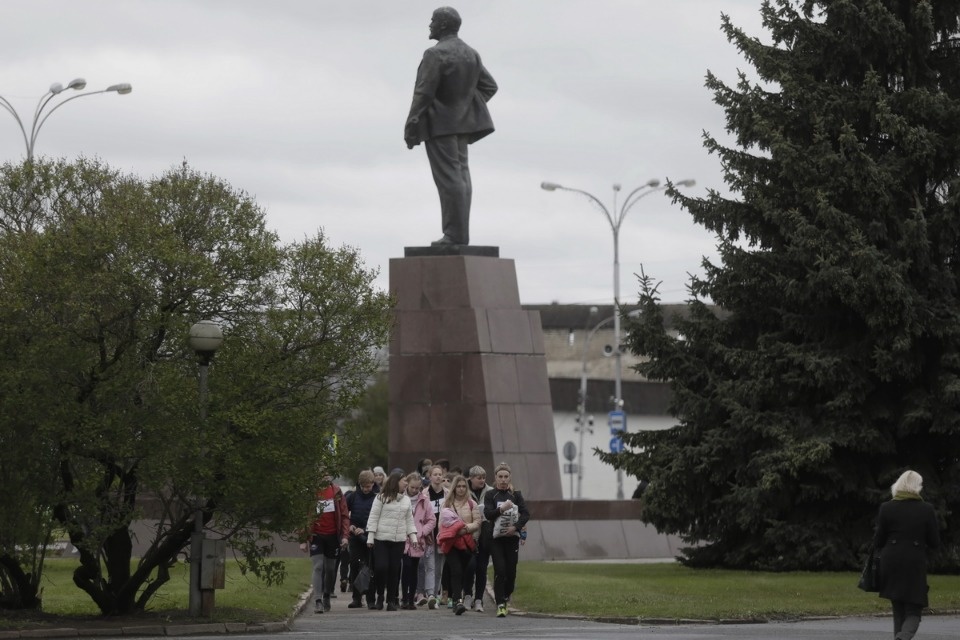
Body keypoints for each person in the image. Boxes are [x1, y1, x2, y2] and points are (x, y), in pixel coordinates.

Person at [404, 6, 497, 246]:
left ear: (443, 25)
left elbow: (424, 93)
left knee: (449, 180)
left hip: (439, 125)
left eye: (433, 20)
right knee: (461, 177)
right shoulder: (471, 53)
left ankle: (454, 235)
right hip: (462, 126)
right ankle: (459, 235)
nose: (430, 25)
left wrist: (412, 123)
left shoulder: (435, 54)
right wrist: (465, 106)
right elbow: (489, 87)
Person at [874, 469, 940, 640]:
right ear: (917, 487)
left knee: (898, 610)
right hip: (913, 563)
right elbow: (934, 542)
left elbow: (878, 541)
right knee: (914, 611)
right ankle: (902, 638)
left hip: (890, 561)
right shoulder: (926, 509)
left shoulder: (886, 508)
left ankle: (900, 636)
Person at [366, 471, 419, 611]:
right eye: (404, 480)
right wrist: (370, 537)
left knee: (394, 570)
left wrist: (413, 537)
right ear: (396, 482)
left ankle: (390, 600)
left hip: (398, 540)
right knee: (381, 567)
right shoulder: (381, 498)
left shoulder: (406, 500)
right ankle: (380, 595)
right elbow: (373, 518)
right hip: (381, 539)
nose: (406, 483)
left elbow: (409, 520)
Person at [483, 462, 529, 618]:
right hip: (496, 539)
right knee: (500, 569)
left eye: (506, 477)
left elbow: (526, 514)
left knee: (511, 571)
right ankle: (500, 603)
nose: (503, 480)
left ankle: (506, 594)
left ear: (510, 478)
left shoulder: (516, 494)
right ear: (496, 478)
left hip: (511, 538)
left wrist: (515, 527)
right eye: (500, 477)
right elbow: (488, 514)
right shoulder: (491, 495)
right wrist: (501, 509)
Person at [300, 472, 349, 614]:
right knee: (318, 567)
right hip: (316, 536)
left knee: (330, 568)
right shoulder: (311, 494)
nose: (324, 477)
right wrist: (303, 539)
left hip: (333, 536)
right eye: (321, 474)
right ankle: (318, 600)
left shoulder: (336, 492)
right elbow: (303, 516)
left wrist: (345, 536)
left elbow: (344, 516)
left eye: (327, 474)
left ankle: (327, 594)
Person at [437, 475, 481, 615]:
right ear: (454, 488)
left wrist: (465, 529)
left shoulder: (471, 503)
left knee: (465, 571)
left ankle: (459, 596)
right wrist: (453, 531)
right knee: (456, 571)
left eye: (463, 486)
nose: (461, 489)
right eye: (458, 486)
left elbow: (477, 522)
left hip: (467, 542)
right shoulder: (447, 504)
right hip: (452, 543)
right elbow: (441, 524)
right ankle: (458, 601)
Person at [345, 470, 378, 609]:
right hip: (355, 536)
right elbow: (345, 514)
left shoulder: (377, 498)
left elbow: (377, 518)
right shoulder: (352, 497)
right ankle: (356, 598)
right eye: (363, 486)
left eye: (368, 486)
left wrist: (365, 529)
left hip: (370, 535)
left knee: (370, 567)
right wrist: (350, 525)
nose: (365, 489)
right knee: (354, 565)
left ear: (373, 484)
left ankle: (371, 599)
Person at [402, 471, 433, 609]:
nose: (414, 490)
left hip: (418, 539)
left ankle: (411, 599)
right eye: (412, 487)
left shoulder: (424, 500)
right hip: (403, 538)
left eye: (417, 488)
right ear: (407, 485)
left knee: (414, 569)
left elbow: (431, 520)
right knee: (406, 567)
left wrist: (422, 531)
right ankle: (404, 597)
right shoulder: (401, 498)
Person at [421, 464, 448, 608]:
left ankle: (436, 593)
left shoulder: (447, 494)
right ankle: (430, 594)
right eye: (435, 474)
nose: (438, 477)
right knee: (429, 566)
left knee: (439, 568)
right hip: (429, 534)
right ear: (430, 477)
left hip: (442, 534)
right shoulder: (424, 494)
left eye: (440, 474)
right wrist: (424, 532)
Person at [467, 465, 492, 612]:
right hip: (469, 535)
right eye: (479, 478)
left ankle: (478, 599)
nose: (482, 480)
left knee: (482, 569)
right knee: (469, 567)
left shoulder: (490, 492)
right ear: (471, 478)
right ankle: (467, 595)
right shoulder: (463, 490)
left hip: (485, 536)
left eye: (483, 477)